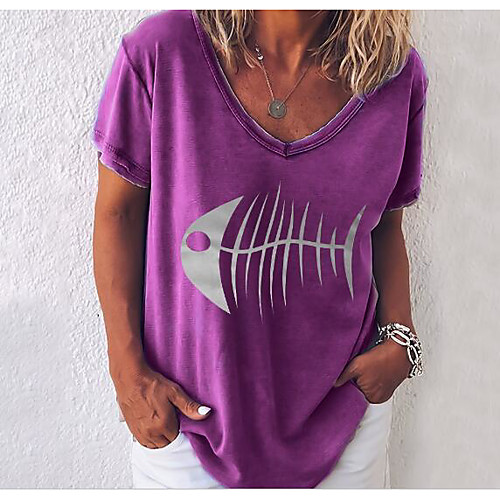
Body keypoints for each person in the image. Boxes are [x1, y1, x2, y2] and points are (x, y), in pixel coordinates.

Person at [91, 9, 428, 489]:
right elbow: (118, 214)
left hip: (345, 422)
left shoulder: (394, 75)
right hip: (188, 424)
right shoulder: (164, 51)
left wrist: (401, 339)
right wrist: (127, 373)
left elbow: (385, 227)